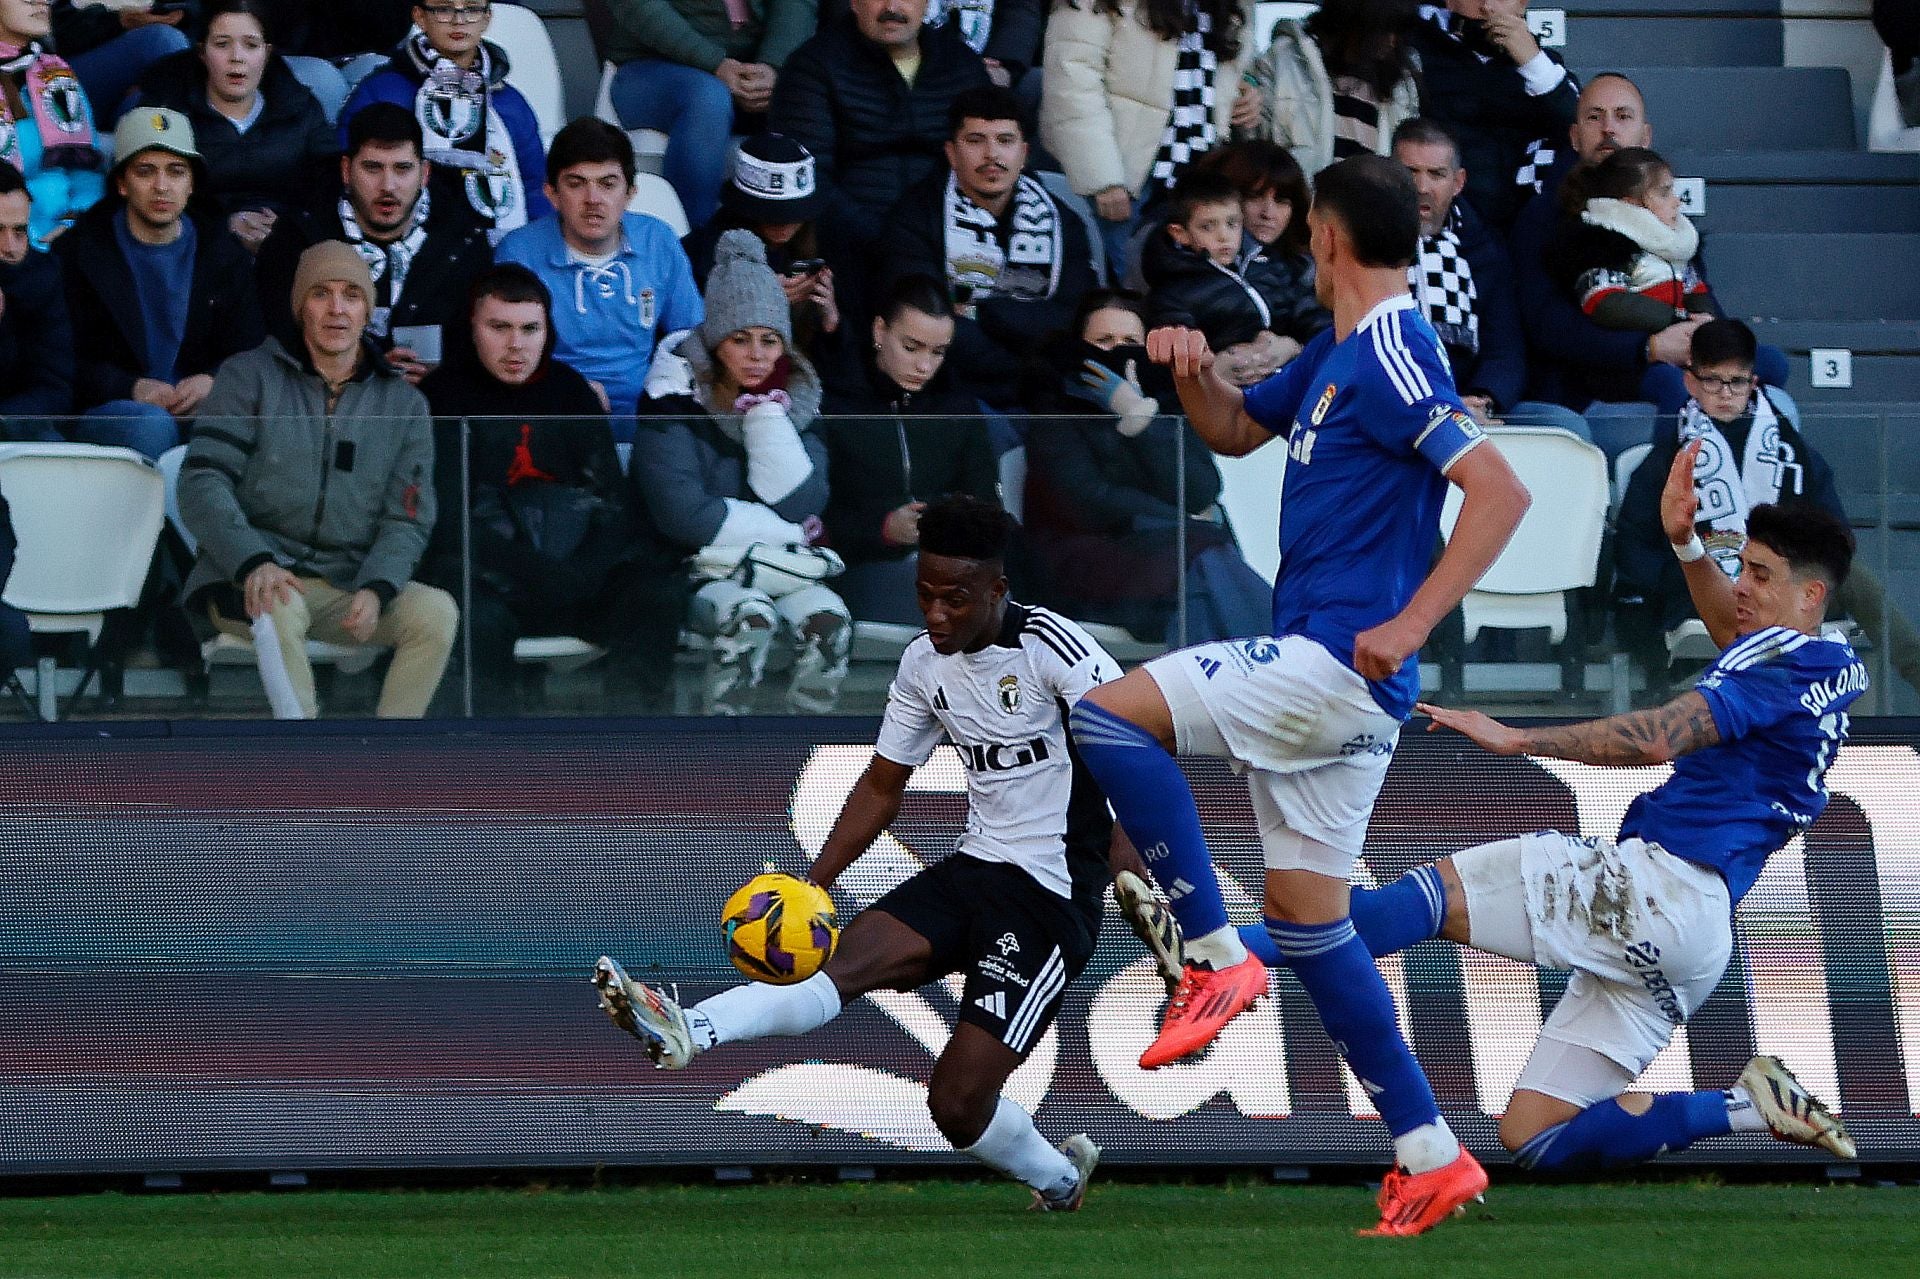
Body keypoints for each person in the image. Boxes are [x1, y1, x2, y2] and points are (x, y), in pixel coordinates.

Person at [1065, 154, 1530, 1235]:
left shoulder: (1398, 350)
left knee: (1106, 714)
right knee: (1314, 924)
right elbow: (1231, 428)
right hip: (1342, 684)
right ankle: (1429, 1151)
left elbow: (1500, 489)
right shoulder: (1336, 352)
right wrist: (1187, 371)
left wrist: (1412, 621)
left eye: (1303, 234)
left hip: (1335, 662)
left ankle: (1213, 961)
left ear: (1324, 237)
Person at [1249, 481, 1864, 1174]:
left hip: (1653, 888)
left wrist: (1518, 739)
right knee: (1534, 1134)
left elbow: (1661, 736)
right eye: (1741, 567)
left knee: (1418, 901)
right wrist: (1688, 544)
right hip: (1697, 939)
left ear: (1809, 596)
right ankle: (1744, 1107)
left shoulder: (1773, 657)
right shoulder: (1832, 665)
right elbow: (1735, 633)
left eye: (1759, 575)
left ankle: (1218, 951)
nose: (1739, 585)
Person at [593, 494, 1116, 1212]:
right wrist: (814, 884)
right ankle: (693, 1029)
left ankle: (1059, 1179)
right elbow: (882, 783)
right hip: (974, 869)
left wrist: (1159, 889)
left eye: (954, 599)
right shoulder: (922, 665)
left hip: (1051, 901)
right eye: (924, 595)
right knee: (834, 965)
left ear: (997, 589)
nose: (935, 614)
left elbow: (1136, 763)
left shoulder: (1056, 649)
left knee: (957, 1106)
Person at [179, 240, 458, 719]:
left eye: (351, 295)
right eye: (320, 294)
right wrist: (254, 562)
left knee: (436, 612)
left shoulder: (404, 403)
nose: (336, 310)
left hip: (347, 581)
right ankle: (308, 763)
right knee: (277, 601)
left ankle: (391, 762)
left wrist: (378, 586)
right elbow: (202, 481)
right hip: (248, 576)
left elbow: (407, 517)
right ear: (299, 307)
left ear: (367, 310)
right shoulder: (249, 376)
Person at [419, 264, 688, 714]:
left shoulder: (571, 392)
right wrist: (535, 571)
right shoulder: (440, 396)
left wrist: (579, 572)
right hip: (487, 577)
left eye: (530, 328)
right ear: (472, 327)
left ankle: (633, 752)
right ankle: (492, 760)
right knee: (471, 615)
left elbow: (612, 503)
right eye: (498, 327)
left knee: (654, 596)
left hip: (573, 572)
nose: (515, 344)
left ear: (548, 330)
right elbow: (447, 518)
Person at [1615, 318, 1920, 700]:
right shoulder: (1668, 459)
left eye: (1737, 381)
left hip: (1789, 584)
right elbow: (1638, 545)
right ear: (1690, 382)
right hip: (1707, 589)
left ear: (1753, 383)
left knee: (1855, 577)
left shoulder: (1795, 453)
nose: (1726, 393)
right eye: (1713, 380)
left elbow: (1836, 535)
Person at [630, 230, 846, 714]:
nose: (756, 355)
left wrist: (767, 419)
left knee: (830, 622)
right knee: (750, 618)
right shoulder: (671, 400)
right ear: (715, 342)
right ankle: (727, 754)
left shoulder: (799, 398)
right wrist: (788, 533)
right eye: (740, 339)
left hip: (781, 569)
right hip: (690, 570)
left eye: (769, 340)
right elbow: (684, 517)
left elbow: (805, 502)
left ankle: (803, 748)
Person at [1508, 73, 1790, 424]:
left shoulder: (1666, 214)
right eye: (1594, 117)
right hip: (1590, 381)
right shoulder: (1545, 217)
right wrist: (1650, 347)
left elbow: (1697, 292)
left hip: (1684, 355)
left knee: (1771, 375)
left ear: (1645, 136)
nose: (1608, 128)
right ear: (1575, 137)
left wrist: (1705, 332)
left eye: (1623, 116)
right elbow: (1547, 326)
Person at [1024, 287, 1269, 644]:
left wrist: (1141, 419)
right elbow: (1086, 499)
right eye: (1103, 341)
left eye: (1129, 340)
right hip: (1090, 564)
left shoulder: (1166, 403)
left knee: (1203, 584)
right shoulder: (1055, 411)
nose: (1117, 350)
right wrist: (1180, 518)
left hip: (1171, 561)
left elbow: (1202, 488)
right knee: (1208, 567)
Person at [54, 107, 263, 459]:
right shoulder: (78, 253)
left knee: (236, 421)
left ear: (192, 183)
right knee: (150, 425)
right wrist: (131, 387)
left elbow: (250, 348)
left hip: (198, 405)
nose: (162, 186)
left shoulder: (222, 252)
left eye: (176, 171)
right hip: (111, 410)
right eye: (145, 171)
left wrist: (213, 380)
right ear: (122, 183)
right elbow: (61, 359)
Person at [881, 85, 1097, 408]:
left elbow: (1074, 318)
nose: (992, 155)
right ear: (952, 153)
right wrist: (1026, 354)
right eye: (975, 140)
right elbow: (926, 323)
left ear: (1024, 153)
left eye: (1005, 141)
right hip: (950, 392)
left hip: (1048, 394)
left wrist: (982, 312)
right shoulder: (914, 217)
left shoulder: (1063, 222)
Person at [255, 102, 493, 383]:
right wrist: (364, 367)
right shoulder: (298, 238)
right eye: (372, 168)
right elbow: (275, 338)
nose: (388, 186)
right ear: (346, 170)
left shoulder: (464, 240)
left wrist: (442, 380)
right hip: (323, 401)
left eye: (402, 169)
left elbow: (480, 346)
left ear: (424, 174)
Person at [495, 118, 703, 437]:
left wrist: (666, 389)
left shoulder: (658, 240)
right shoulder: (519, 252)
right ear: (552, 193)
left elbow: (689, 337)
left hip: (650, 414)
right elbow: (503, 351)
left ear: (630, 192)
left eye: (608, 184)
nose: (593, 199)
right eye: (576, 183)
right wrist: (565, 388)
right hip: (553, 414)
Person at [819, 274, 998, 625]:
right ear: (879, 332)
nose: (924, 366)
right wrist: (884, 529)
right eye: (911, 347)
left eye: (938, 352)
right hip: (860, 567)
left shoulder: (958, 410)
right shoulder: (836, 405)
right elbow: (814, 517)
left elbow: (988, 506)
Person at [1393, 117, 1587, 437]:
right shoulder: (1361, 241)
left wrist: (1484, 401)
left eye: (1436, 174)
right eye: (1409, 172)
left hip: (1472, 404)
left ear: (1458, 182)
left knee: (1567, 427)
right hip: (1391, 403)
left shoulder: (1484, 249)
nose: (1421, 187)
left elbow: (1505, 350)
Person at [1041, 0, 1253, 276]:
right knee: (1125, 292)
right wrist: (1103, 179)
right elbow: (1071, 83)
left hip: (1199, 170)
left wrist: (1244, 97)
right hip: (1126, 177)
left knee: (1197, 293)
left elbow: (1219, 72)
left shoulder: (1233, 7)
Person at [770, 0, 991, 254]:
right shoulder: (813, 65)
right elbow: (806, 177)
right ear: (853, 3)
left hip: (951, 242)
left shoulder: (962, 65)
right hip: (851, 247)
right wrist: (887, 243)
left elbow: (991, 160)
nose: (892, 7)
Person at [135, 0, 338, 254]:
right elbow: (149, 192)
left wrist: (291, 228)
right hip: (193, 248)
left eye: (251, 45)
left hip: (288, 248)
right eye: (222, 44)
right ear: (202, 52)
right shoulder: (167, 110)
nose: (236, 58)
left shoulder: (299, 106)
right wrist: (223, 226)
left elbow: (330, 184)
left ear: (267, 52)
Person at [341, 1, 550, 241]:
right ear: (419, 16)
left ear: (487, 18)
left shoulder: (509, 103)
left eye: (471, 9)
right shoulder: (380, 92)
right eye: (443, 9)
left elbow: (535, 189)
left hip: (500, 251)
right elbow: (348, 177)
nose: (458, 20)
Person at [603, 0, 818, 231]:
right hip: (650, 68)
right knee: (708, 98)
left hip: (754, 68)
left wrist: (774, 65)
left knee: (812, 92)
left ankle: (805, 250)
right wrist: (715, 63)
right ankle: (691, 243)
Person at [1140, 168, 1324, 386]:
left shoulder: (1269, 267)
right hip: (1226, 394)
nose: (1223, 236)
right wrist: (1221, 366)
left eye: (1232, 223)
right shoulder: (1172, 293)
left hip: (1288, 384)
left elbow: (1311, 320)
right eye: (1207, 226)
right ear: (1180, 233)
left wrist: (1294, 347)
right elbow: (1181, 356)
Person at [1409, 0, 1577, 230]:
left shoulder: (1544, 66)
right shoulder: (1415, 56)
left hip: (1527, 231)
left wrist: (1533, 62)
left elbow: (1584, 132)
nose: (1487, 6)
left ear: (1522, 4)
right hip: (1443, 228)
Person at [681, 134, 843, 362]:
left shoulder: (828, 245)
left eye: (794, 214)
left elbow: (843, 376)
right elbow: (688, 342)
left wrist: (831, 324)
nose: (784, 224)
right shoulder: (697, 255)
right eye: (770, 214)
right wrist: (758, 304)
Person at [1243, 0, 1420, 176]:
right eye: (1384, 29)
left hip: (1368, 201)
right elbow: (1251, 148)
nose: (1392, 41)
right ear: (1354, 23)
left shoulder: (1400, 86)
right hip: (1297, 199)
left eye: (1397, 31)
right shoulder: (1283, 62)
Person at [1, 0, 113, 249]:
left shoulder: (57, 73)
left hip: (68, 239)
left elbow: (87, 174)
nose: (42, 1)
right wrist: (24, 237)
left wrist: (74, 221)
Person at [0, 164, 74, 437]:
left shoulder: (43, 279)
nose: (9, 247)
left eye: (19, 232)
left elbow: (55, 389)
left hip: (15, 431)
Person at [49, 0, 190, 127]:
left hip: (139, 91)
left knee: (149, 106)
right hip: (63, 71)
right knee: (164, 40)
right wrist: (117, 21)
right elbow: (56, 34)